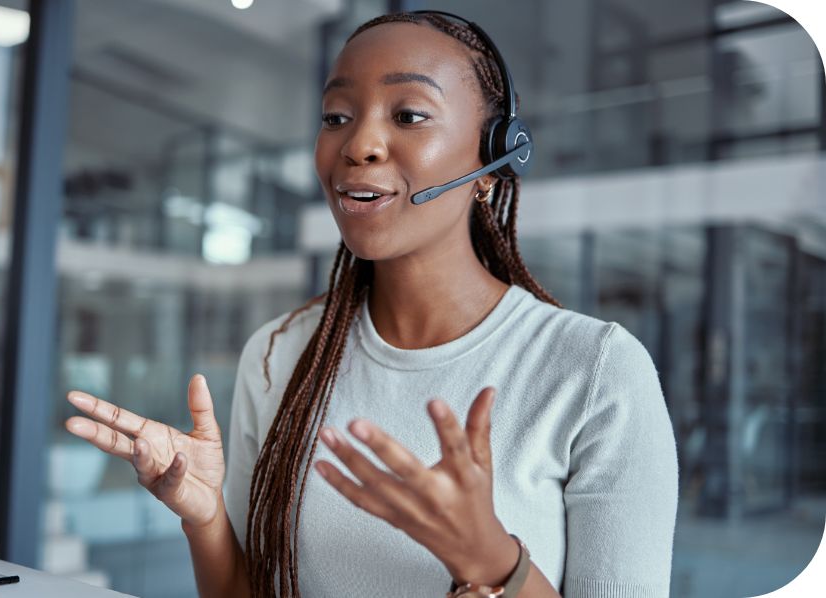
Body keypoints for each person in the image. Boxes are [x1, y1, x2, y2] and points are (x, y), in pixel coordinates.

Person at [65, 10, 678, 598]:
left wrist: (489, 559)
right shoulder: (280, 353)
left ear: (492, 160)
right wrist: (204, 519)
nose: (359, 144)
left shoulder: (596, 372)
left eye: (409, 115)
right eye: (336, 116)